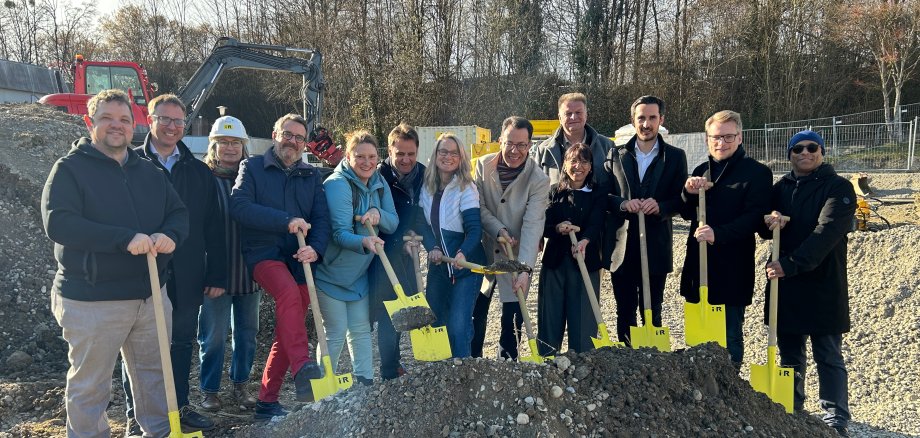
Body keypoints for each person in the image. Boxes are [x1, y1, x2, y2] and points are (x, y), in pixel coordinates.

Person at [41, 89, 188, 437]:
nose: (116, 125)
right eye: (107, 118)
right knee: (91, 385)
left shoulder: (150, 172)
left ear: (134, 125)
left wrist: (170, 234)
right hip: (93, 299)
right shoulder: (69, 170)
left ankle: (158, 433)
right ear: (89, 122)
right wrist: (123, 239)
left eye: (123, 119)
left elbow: (178, 213)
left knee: (155, 378)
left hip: (150, 296)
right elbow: (59, 223)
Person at [126, 93, 226, 432]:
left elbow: (213, 226)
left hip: (186, 273)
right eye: (165, 119)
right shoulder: (129, 164)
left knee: (181, 342)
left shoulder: (198, 172)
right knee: (139, 350)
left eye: (178, 121)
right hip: (138, 275)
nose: (172, 126)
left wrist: (217, 273)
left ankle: (179, 408)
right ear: (149, 120)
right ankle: (136, 416)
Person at [230, 113, 331, 420]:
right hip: (264, 254)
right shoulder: (252, 167)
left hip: (300, 258)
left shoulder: (311, 176)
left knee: (290, 325)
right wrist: (285, 221)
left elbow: (322, 219)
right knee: (287, 294)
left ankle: (267, 401)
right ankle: (302, 367)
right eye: (287, 134)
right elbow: (240, 206)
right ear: (275, 135)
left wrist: (316, 248)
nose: (293, 141)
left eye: (299, 138)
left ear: (305, 144)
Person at [761, 130, 855, 437]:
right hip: (786, 285)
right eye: (797, 148)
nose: (805, 152)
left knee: (827, 354)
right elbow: (763, 228)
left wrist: (790, 265)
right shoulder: (780, 188)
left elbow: (826, 233)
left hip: (823, 283)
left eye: (812, 147)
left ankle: (835, 418)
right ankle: (791, 409)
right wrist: (770, 221)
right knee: (790, 354)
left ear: (822, 152)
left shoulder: (838, 187)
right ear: (789, 155)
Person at [678, 110, 772, 367]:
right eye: (716, 137)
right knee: (698, 338)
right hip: (699, 266)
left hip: (732, 266)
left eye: (728, 136)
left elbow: (754, 218)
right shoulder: (701, 171)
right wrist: (687, 193)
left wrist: (718, 234)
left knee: (730, 335)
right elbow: (686, 214)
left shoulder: (757, 173)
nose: (721, 143)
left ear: (739, 137)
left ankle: (730, 385)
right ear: (707, 139)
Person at [314, 130, 398, 386]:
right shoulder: (338, 185)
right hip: (331, 274)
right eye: (360, 156)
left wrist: (377, 213)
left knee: (361, 329)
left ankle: (365, 383)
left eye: (372, 156)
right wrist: (364, 242)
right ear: (348, 156)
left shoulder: (379, 182)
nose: (367, 162)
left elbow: (393, 222)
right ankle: (324, 384)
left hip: (358, 275)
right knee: (336, 331)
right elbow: (339, 234)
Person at [605, 95, 687, 346]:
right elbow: (604, 196)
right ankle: (628, 358)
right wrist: (622, 204)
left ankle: (654, 356)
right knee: (625, 310)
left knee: (652, 309)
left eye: (652, 117)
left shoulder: (675, 157)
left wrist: (661, 206)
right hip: (622, 247)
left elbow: (681, 199)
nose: (646, 124)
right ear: (633, 121)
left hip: (656, 244)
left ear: (661, 119)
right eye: (641, 118)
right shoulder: (616, 154)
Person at [197, 116, 261, 412]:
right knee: (213, 338)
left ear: (244, 146)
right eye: (223, 142)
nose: (230, 148)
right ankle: (209, 390)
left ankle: (241, 386)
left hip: (248, 271)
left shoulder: (252, 179)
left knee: (247, 336)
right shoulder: (205, 180)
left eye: (235, 142)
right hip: (216, 273)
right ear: (214, 146)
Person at [472, 116, 549, 359]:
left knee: (513, 316)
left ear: (530, 145)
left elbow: (533, 224)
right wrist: (498, 229)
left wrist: (524, 269)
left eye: (522, 145)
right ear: (500, 141)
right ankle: (472, 360)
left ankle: (508, 363)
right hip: (485, 248)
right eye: (509, 143)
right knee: (476, 310)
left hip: (516, 254)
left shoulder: (539, 180)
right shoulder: (483, 165)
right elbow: (478, 207)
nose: (515, 151)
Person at [419, 133, 486, 358]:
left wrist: (462, 252)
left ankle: (462, 368)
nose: (448, 157)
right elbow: (422, 224)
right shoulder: (427, 186)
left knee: (459, 325)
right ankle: (440, 370)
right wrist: (432, 247)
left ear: (461, 157)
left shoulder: (466, 187)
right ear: (435, 155)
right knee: (435, 320)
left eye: (454, 153)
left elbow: (475, 229)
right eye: (443, 151)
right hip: (439, 265)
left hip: (466, 265)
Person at [537, 143, 605, 354]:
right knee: (550, 316)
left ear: (591, 166)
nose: (578, 166)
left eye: (584, 161)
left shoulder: (597, 193)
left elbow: (596, 223)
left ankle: (582, 361)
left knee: (584, 319)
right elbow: (542, 224)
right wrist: (557, 228)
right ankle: (548, 360)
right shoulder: (553, 192)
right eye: (573, 161)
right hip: (555, 264)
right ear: (564, 164)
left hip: (585, 262)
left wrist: (584, 240)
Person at [371, 123, 426, 380]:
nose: (405, 159)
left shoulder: (423, 174)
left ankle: (395, 362)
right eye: (400, 153)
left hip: (406, 251)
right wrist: (398, 241)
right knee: (389, 311)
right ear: (389, 150)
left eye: (410, 154)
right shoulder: (378, 176)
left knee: (405, 307)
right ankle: (388, 370)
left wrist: (417, 233)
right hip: (382, 252)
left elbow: (424, 210)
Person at [536, 92, 613, 187]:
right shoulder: (544, 150)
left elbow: (616, 187)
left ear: (586, 115)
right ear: (560, 118)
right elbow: (536, 187)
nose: (573, 117)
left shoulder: (607, 146)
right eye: (568, 113)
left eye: (578, 112)